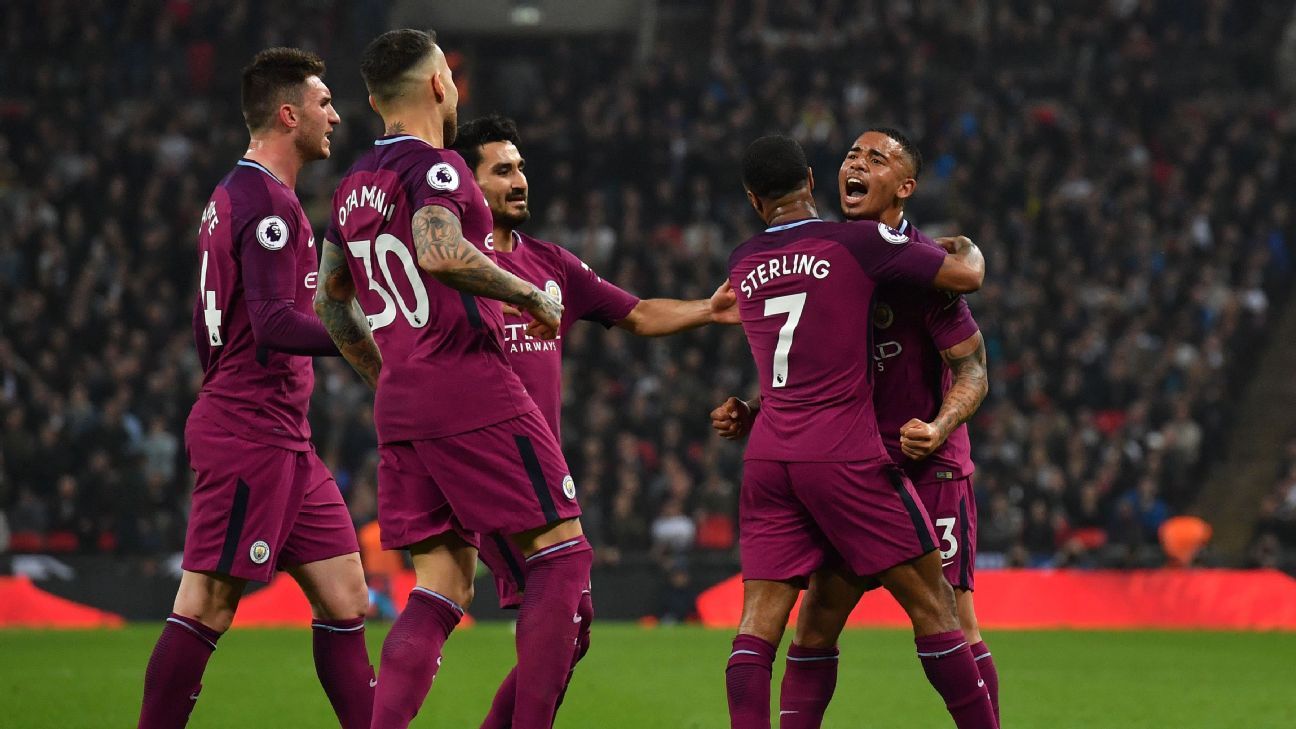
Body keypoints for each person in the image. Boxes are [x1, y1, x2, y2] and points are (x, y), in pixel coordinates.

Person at [313, 29, 584, 729]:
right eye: (452, 80)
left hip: (403, 403)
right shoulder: (438, 169)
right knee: (562, 554)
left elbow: (328, 299)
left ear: (373, 100)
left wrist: (387, 373)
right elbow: (437, 249)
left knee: (442, 583)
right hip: (469, 382)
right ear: (438, 84)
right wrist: (530, 295)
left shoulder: (349, 188)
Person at [449, 114, 739, 727]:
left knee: (572, 629)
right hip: (487, 463)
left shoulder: (551, 263)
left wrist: (708, 312)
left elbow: (636, 313)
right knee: (565, 576)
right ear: (466, 186)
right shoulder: (452, 266)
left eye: (521, 167)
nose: (520, 179)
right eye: (503, 170)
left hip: (535, 463)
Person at [712, 128, 998, 728]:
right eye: (850, 154)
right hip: (849, 462)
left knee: (954, 615)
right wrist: (759, 408)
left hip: (926, 464)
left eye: (876, 157)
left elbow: (972, 368)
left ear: (905, 185)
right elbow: (811, 368)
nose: (857, 163)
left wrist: (942, 424)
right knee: (816, 622)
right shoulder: (844, 251)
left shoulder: (921, 269)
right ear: (821, 179)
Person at [138, 48, 373, 729]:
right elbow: (272, 324)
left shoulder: (231, 195)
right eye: (324, 102)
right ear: (288, 113)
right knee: (207, 601)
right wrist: (368, 339)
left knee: (346, 593)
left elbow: (212, 318)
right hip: (249, 433)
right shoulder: (268, 207)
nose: (335, 114)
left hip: (283, 437)